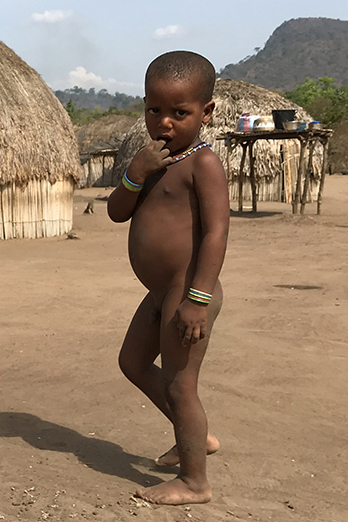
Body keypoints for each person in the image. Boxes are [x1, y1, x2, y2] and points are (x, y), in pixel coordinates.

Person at [107, 51, 229, 506]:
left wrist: (197, 298)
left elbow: (217, 232)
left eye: (180, 113)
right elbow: (118, 213)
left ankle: (195, 482)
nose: (165, 122)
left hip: (188, 290)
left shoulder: (204, 164)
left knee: (181, 384)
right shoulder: (150, 161)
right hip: (160, 291)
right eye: (155, 110)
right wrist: (135, 176)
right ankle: (193, 436)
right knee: (132, 363)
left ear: (206, 112)